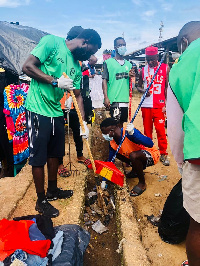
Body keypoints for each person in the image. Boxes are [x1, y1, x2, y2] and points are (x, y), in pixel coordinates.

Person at [22, 29, 101, 218]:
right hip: (37, 107)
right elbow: (27, 67)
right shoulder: (52, 43)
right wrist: (55, 81)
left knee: (55, 154)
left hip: (56, 111)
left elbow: (79, 96)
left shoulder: (76, 64)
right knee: (39, 156)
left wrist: (83, 123)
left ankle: (53, 190)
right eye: (91, 50)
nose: (91, 56)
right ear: (85, 41)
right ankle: (41, 200)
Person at [167, 21, 200, 266]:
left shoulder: (182, 65)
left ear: (184, 42)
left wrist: (181, 162)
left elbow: (176, 128)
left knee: (197, 226)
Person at [100, 118, 160, 196]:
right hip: (134, 156)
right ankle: (135, 171)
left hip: (150, 155)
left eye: (105, 133)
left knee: (134, 156)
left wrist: (134, 134)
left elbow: (149, 143)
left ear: (112, 131)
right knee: (117, 154)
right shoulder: (112, 143)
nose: (104, 136)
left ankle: (142, 184)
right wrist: (104, 180)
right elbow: (110, 161)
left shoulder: (128, 133)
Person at [138, 46, 170, 166]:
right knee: (147, 131)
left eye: (152, 59)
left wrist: (167, 104)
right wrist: (143, 90)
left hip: (159, 105)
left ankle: (163, 154)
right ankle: (149, 153)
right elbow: (139, 86)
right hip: (146, 105)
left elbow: (167, 87)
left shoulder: (165, 68)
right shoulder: (143, 70)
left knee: (161, 131)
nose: (150, 62)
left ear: (157, 57)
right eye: (148, 59)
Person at [102, 37, 135, 128]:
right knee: (113, 126)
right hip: (113, 100)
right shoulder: (108, 63)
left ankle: (120, 142)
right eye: (120, 45)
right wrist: (106, 97)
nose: (122, 47)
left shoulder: (129, 64)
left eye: (124, 45)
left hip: (124, 99)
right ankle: (113, 142)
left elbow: (131, 81)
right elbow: (104, 80)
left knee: (121, 125)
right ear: (115, 47)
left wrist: (132, 76)